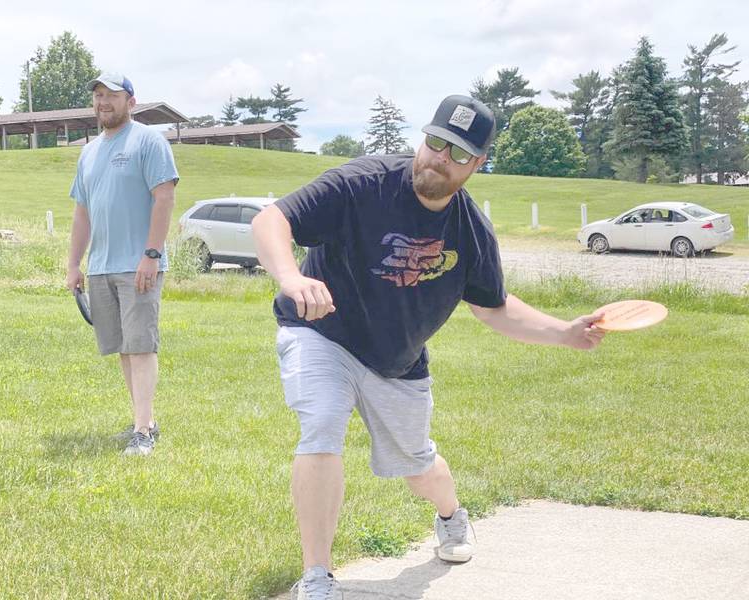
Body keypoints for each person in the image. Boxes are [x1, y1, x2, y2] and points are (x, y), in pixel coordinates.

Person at [252, 95, 606, 599]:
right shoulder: (362, 184)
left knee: (417, 467)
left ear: (477, 165)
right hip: (320, 333)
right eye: (436, 142)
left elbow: (494, 306)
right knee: (321, 425)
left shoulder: (471, 231)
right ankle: (318, 576)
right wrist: (290, 277)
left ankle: (450, 515)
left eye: (458, 153)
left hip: (397, 363)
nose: (440, 157)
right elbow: (272, 220)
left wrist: (565, 332)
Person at [66, 72, 179, 456]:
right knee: (123, 348)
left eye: (111, 95)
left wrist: (151, 254)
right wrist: (73, 264)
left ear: (131, 101)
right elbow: (82, 213)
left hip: (138, 266)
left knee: (142, 345)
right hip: (100, 267)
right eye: (98, 95)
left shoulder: (149, 141)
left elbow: (164, 198)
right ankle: (142, 421)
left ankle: (143, 433)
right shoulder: (88, 152)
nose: (103, 102)